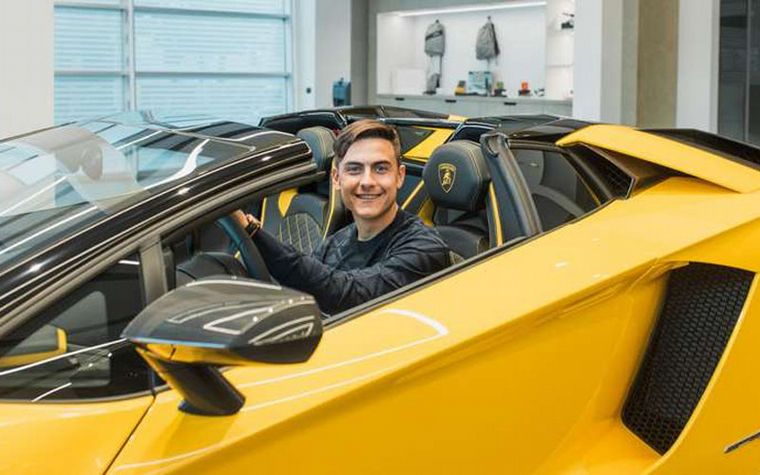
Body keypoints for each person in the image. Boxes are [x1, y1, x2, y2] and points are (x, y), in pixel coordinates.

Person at [236, 119, 449, 315]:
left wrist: (252, 232)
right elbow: (304, 291)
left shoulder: (425, 248)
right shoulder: (337, 242)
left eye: (380, 169)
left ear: (399, 176)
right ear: (337, 179)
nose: (367, 181)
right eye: (354, 169)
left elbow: (348, 294)